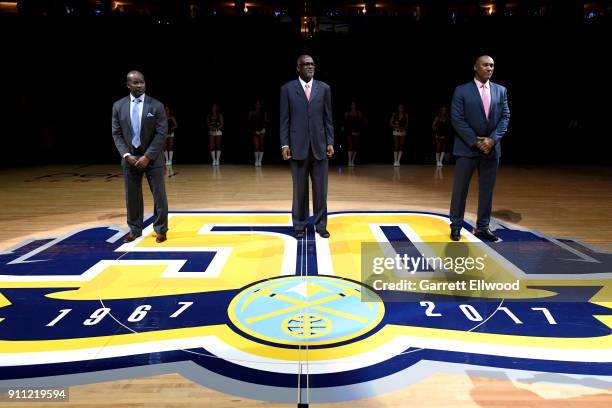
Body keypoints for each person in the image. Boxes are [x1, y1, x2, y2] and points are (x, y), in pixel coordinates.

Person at [449, 55, 510, 242]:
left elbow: (505, 117)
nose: (489, 68)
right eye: (485, 65)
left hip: (491, 150)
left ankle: (483, 227)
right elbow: (457, 119)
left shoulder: (501, 90)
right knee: (460, 190)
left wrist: (491, 140)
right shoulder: (461, 90)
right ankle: (456, 226)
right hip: (467, 148)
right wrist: (477, 142)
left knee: (487, 191)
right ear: (476, 67)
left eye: (492, 65)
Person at [280, 54, 334, 239]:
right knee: (300, 191)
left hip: (319, 147)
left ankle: (321, 225)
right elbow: (284, 120)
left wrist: (330, 142)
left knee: (321, 190)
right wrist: (285, 144)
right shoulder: (287, 89)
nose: (310, 67)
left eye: (312, 64)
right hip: (297, 147)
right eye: (306, 64)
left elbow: (328, 119)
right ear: (298, 67)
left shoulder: (324, 88)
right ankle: (300, 226)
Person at [111, 70, 168, 243]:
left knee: (159, 195)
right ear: (128, 84)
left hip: (153, 158)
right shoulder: (118, 106)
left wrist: (148, 156)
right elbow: (117, 133)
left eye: (142, 82)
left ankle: (161, 229)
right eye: (135, 83)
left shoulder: (156, 105)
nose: (140, 85)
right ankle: (135, 229)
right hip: (130, 159)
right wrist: (127, 155)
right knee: (132, 196)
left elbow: (161, 133)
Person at [248, 101, 268, 166]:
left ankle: (260, 160)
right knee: (256, 146)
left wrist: (262, 129)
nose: (258, 105)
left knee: (261, 145)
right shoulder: (252, 113)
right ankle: (256, 160)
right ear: (255, 105)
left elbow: (265, 121)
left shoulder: (263, 112)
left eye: (259, 104)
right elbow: (249, 122)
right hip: (255, 130)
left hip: (262, 130)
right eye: (256, 104)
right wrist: (253, 130)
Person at [344, 101, 363, 166]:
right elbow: (345, 122)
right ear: (350, 106)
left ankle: (353, 160)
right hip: (349, 131)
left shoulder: (358, 113)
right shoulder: (347, 113)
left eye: (354, 104)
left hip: (356, 131)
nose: (353, 105)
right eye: (352, 104)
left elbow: (361, 121)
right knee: (350, 145)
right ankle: (349, 161)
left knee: (355, 146)